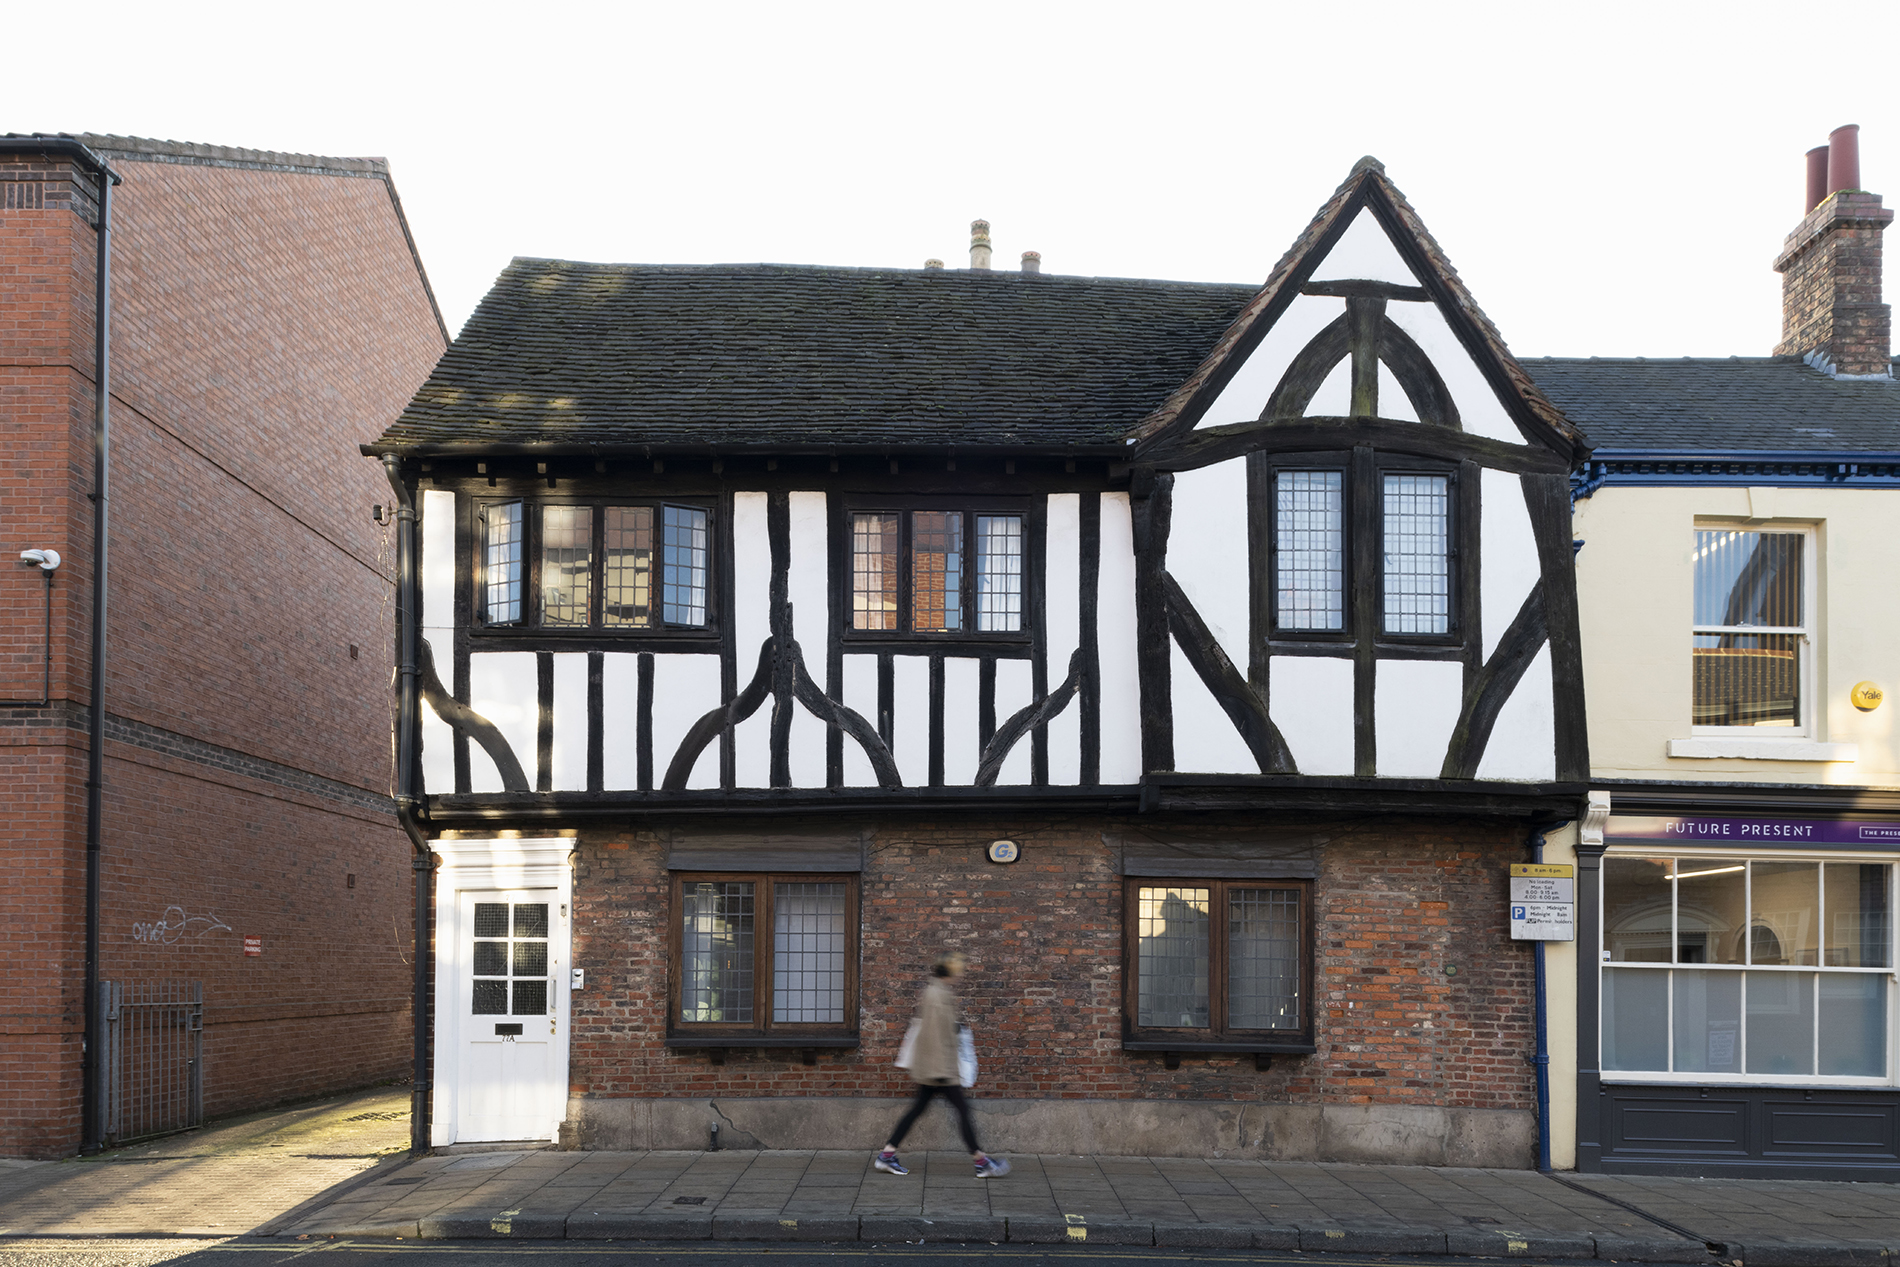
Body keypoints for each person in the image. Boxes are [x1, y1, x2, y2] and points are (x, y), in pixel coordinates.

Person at [874, 951, 1010, 1178]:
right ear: (950, 971)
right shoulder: (937, 995)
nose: (961, 975)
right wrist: (943, 1072)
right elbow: (935, 1037)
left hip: (933, 1069)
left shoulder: (936, 991)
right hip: (939, 1070)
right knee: (962, 1111)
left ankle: (887, 1155)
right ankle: (981, 1162)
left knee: (918, 1110)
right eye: (959, 971)